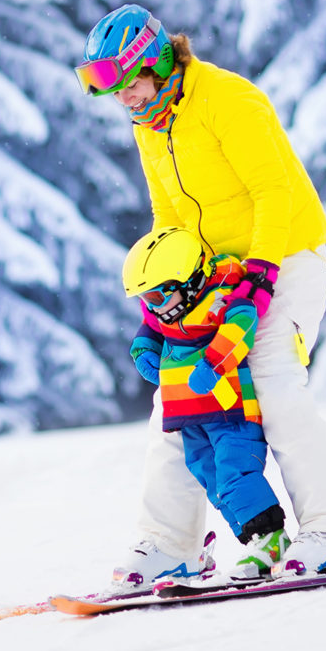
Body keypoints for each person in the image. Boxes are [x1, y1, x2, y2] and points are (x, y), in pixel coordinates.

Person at [75, 3, 326, 583]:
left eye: (126, 80)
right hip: (213, 281)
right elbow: (169, 214)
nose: (123, 98)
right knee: (177, 400)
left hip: (285, 260)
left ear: (158, 61)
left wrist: (262, 271)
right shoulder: (150, 125)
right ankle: (170, 545)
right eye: (106, 88)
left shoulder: (228, 99)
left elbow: (273, 191)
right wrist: (167, 296)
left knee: (273, 383)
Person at [121, 226, 293, 584]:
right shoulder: (167, 313)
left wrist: (214, 363)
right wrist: (143, 350)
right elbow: (149, 330)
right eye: (143, 299)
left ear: (182, 283)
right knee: (212, 480)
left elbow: (242, 325)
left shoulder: (221, 297)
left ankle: (272, 538)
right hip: (190, 417)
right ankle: (255, 541)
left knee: (235, 475)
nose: (149, 307)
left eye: (153, 297)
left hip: (229, 412)